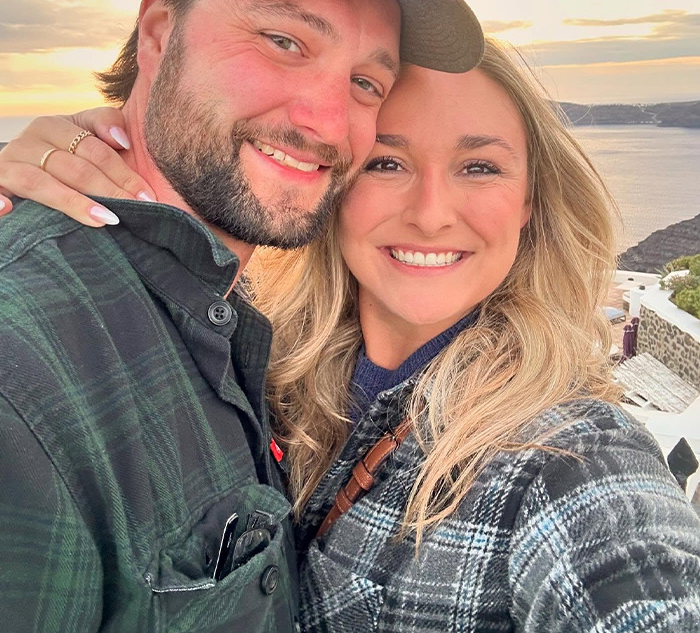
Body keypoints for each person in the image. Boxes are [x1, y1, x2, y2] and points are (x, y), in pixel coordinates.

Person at [5, 40, 700, 631]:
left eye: (479, 166)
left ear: (529, 205)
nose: (430, 214)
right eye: (386, 163)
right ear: (329, 185)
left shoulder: (568, 459)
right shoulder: (252, 364)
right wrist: (68, 167)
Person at [0, 0, 483, 632]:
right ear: (158, 31)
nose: (328, 122)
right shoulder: (25, 377)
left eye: (367, 82)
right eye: (285, 41)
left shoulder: (229, 319)